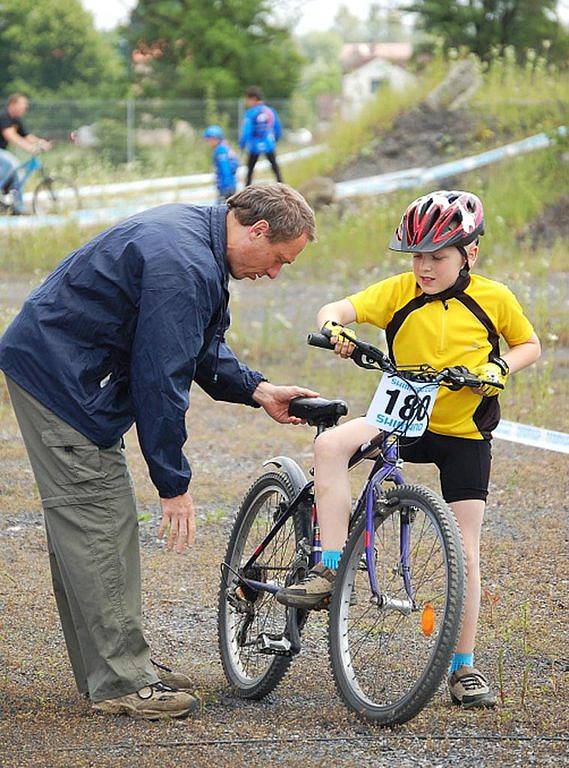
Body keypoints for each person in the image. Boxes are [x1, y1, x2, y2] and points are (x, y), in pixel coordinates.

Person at [0, 184, 318, 721]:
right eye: (279, 259)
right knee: (100, 524)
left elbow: (196, 343)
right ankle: (122, 680)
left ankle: (115, 668)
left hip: (60, 369)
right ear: (257, 230)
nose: (274, 273)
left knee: (89, 528)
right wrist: (173, 484)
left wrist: (258, 389)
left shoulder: (200, 241)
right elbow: (161, 377)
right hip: (63, 379)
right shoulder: (185, 265)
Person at [277, 190, 541, 709]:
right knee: (330, 445)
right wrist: (336, 328)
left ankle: (463, 668)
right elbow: (337, 307)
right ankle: (330, 566)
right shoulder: (399, 291)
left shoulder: (493, 297)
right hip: (400, 417)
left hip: (463, 430)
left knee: (466, 548)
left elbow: (529, 343)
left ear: (470, 254)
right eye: (416, 256)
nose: (423, 267)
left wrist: (499, 368)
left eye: (437, 257)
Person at [0, 93, 52, 214]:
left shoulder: (16, 119)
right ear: (13, 104)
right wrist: (29, 148)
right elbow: (11, 135)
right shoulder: (4, 116)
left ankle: (16, 208)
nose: (25, 108)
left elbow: (26, 136)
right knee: (12, 163)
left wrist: (41, 142)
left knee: (17, 175)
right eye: (23, 105)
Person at [239, 86, 282, 186]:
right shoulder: (270, 111)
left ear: (253, 99)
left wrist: (242, 144)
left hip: (255, 146)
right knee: (275, 168)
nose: (246, 102)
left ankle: (246, 192)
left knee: (250, 170)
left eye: (247, 100)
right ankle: (283, 188)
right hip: (269, 144)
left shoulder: (250, 113)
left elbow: (246, 131)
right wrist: (276, 139)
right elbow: (277, 128)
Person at [203, 124, 239, 203]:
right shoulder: (225, 147)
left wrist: (225, 187)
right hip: (230, 184)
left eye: (209, 140)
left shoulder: (220, 151)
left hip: (226, 186)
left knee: (219, 210)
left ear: (214, 139)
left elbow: (225, 169)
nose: (208, 143)